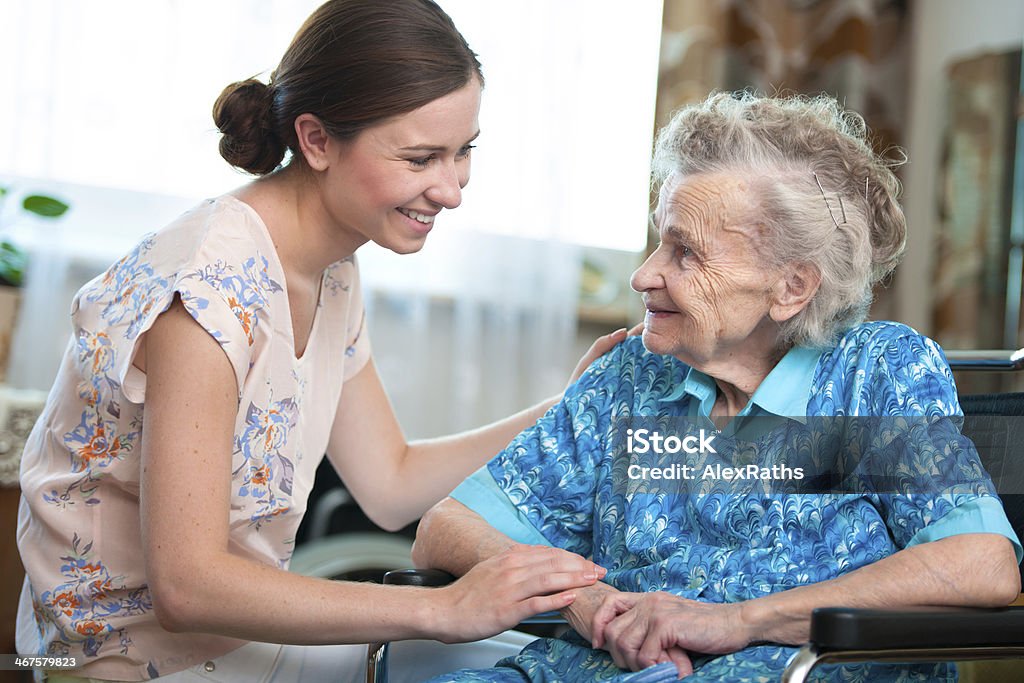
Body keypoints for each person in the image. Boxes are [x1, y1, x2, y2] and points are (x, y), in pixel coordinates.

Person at [15, 1, 617, 681]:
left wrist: (568, 404)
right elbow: (187, 587)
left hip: (234, 641)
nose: (451, 190)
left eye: (464, 150)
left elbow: (389, 481)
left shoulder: (330, 266)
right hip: (121, 656)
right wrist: (445, 608)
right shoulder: (208, 291)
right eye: (421, 157)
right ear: (318, 140)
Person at [412, 92, 1024, 682]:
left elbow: (979, 563)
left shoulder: (876, 371)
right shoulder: (634, 374)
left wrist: (738, 621)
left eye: (686, 253)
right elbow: (445, 529)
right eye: (660, 239)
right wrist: (588, 601)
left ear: (791, 288)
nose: (644, 274)